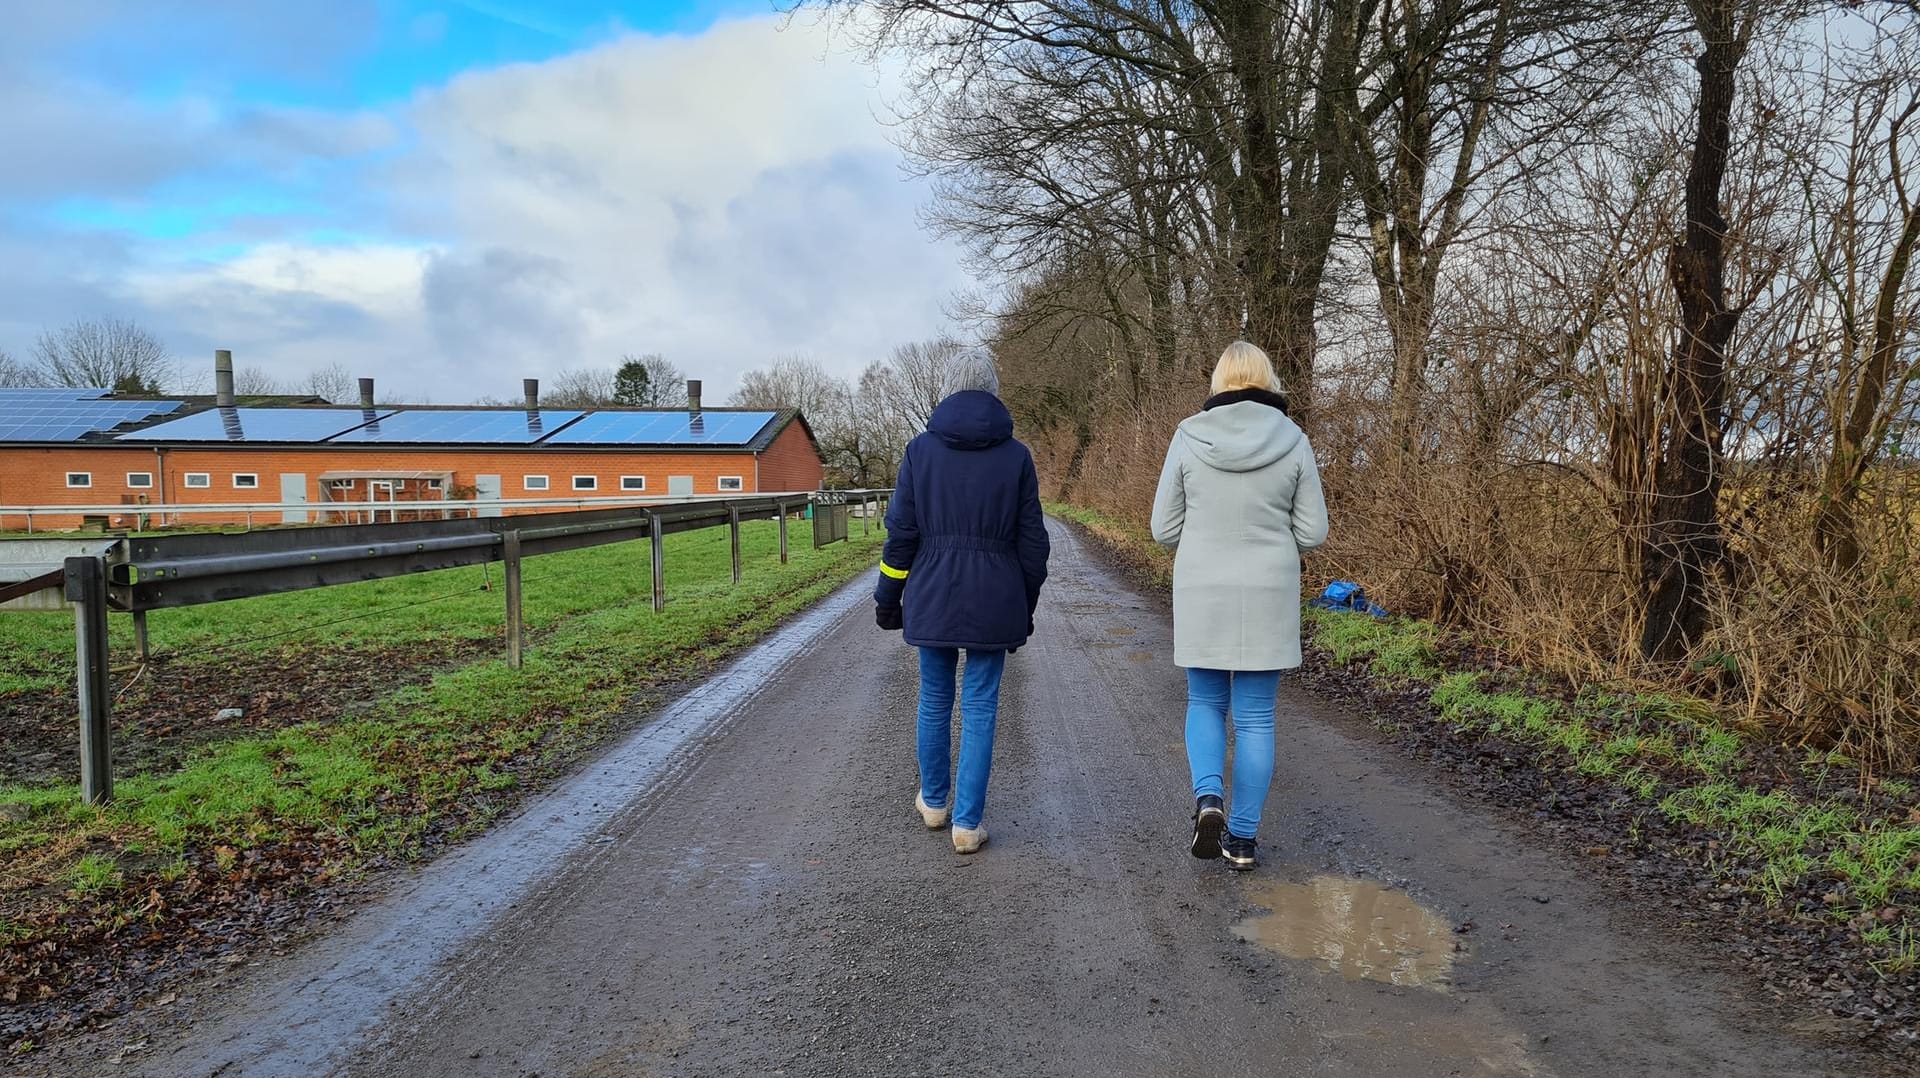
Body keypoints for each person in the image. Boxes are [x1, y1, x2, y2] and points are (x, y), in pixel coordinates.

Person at [1150, 341, 1328, 871]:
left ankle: (1209, 800)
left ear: (1218, 382)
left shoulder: (1188, 436)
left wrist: (1203, 536)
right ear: (1269, 380)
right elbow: (1313, 532)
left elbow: (1163, 530)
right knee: (1255, 717)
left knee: (1204, 702)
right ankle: (1244, 840)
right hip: (1268, 591)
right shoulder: (1294, 440)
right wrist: (1276, 541)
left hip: (1202, 587)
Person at [874, 349, 1049, 854]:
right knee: (980, 706)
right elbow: (1033, 543)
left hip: (931, 594)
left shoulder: (919, 451)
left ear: (948, 390)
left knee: (933, 699)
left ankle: (933, 803)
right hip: (995, 598)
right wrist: (1025, 601)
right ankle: (968, 825)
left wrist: (889, 596)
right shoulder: (1017, 456)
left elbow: (900, 535)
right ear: (993, 390)